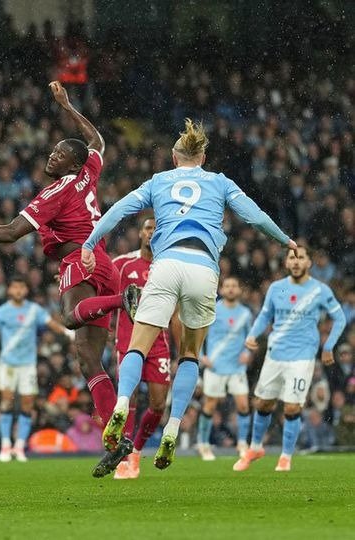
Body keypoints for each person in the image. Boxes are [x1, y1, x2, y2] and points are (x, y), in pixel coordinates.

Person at [0, 81, 129, 456]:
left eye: (61, 154)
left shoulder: (57, 191)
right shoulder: (89, 174)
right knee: (88, 358)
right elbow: (97, 141)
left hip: (79, 260)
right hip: (104, 261)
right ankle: (117, 438)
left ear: (73, 164)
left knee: (69, 320)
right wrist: (67, 106)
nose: (53, 156)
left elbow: (10, 233)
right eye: (53, 151)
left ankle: (122, 300)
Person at [80, 119, 296, 470]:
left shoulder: (159, 181)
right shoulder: (219, 182)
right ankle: (174, 427)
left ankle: (120, 405)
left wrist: (90, 244)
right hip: (203, 268)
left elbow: (118, 210)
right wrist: (284, 238)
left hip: (165, 265)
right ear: (204, 157)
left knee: (138, 345)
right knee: (191, 354)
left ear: (173, 157)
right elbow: (254, 217)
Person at [234, 246, 345, 472]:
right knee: (263, 403)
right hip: (275, 354)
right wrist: (252, 335)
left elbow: (340, 318)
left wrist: (329, 346)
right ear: (286, 263)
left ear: (308, 263)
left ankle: (285, 457)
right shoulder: (276, 288)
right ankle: (255, 448)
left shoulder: (320, 290)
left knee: (292, 407)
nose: (296, 262)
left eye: (301, 258)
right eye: (292, 258)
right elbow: (265, 314)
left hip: (302, 357)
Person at [98, 217, 179, 479]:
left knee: (157, 405)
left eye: (157, 229)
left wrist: (180, 350)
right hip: (129, 340)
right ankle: (124, 454)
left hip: (159, 344)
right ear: (141, 234)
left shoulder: (170, 268)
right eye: (148, 228)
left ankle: (136, 452)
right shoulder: (122, 264)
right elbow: (100, 283)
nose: (151, 233)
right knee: (128, 400)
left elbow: (177, 312)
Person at [0, 275, 73, 463]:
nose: (18, 290)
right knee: (6, 403)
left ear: (26, 290)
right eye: (15, 287)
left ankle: (19, 446)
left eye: (21, 287)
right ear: (9, 290)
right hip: (7, 364)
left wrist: (67, 333)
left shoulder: (34, 310)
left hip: (27, 365)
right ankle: (5, 445)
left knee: (27, 404)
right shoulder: (2, 312)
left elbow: (51, 325)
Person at [196, 276, 253, 461]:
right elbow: (200, 332)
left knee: (243, 405)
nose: (230, 289)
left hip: (236, 367)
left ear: (239, 290)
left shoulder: (245, 314)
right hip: (215, 365)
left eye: (234, 286)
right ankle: (203, 445)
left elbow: (250, 338)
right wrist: (201, 355)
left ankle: (243, 444)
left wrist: (247, 353)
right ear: (221, 290)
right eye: (227, 286)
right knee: (210, 406)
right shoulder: (213, 309)